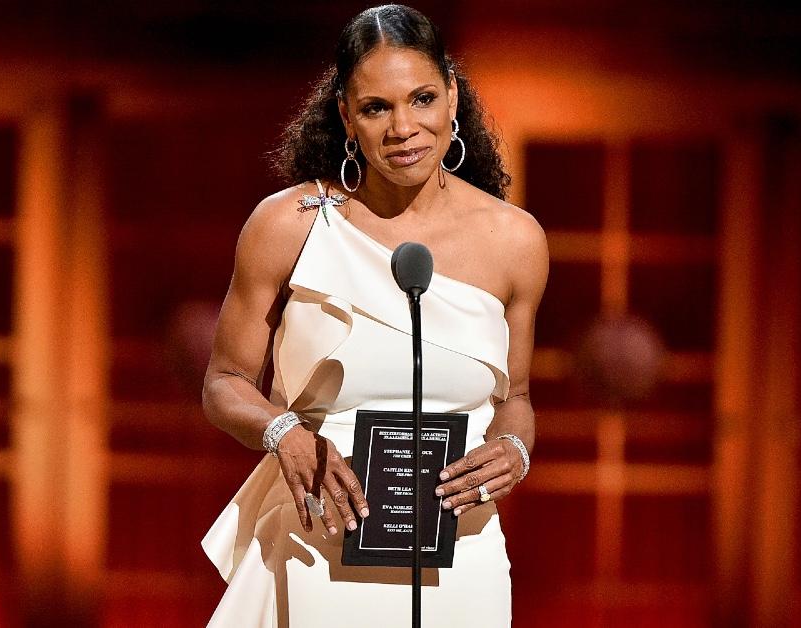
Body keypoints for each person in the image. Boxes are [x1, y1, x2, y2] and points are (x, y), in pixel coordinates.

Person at [201, 4, 547, 626]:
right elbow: (223, 385)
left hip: (459, 556)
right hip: (319, 540)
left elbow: (515, 395)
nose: (404, 128)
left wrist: (515, 448)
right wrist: (283, 434)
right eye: (376, 107)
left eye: (421, 99)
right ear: (345, 116)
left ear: (451, 97)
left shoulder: (515, 240)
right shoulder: (288, 225)